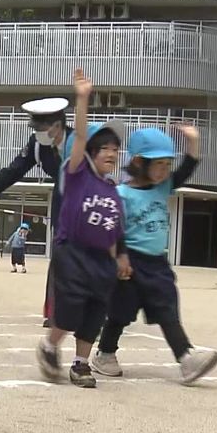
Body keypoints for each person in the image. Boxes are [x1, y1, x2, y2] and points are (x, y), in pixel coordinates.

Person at [92, 126, 217, 384]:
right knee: (120, 313)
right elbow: (115, 229)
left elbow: (187, 169)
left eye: (167, 164)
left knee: (167, 308)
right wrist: (121, 256)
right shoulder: (121, 194)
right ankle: (104, 354)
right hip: (130, 262)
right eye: (158, 164)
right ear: (139, 162)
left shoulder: (164, 187)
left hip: (157, 263)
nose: (164, 170)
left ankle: (186, 358)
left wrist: (193, 143)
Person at [35, 69, 126, 389]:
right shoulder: (76, 173)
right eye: (105, 149)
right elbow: (83, 137)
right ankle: (49, 346)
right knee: (72, 305)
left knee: (95, 310)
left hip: (101, 258)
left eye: (115, 150)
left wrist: (118, 259)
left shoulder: (113, 191)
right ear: (90, 153)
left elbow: (113, 230)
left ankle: (81, 364)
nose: (111, 154)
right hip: (71, 250)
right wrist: (83, 99)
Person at [0, 97, 72, 327]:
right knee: (61, 255)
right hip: (63, 198)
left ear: (57, 125)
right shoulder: (37, 145)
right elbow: (13, 171)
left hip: (89, 198)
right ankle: (55, 312)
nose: (36, 132)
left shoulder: (79, 140)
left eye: (41, 127)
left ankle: (96, 314)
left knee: (90, 257)